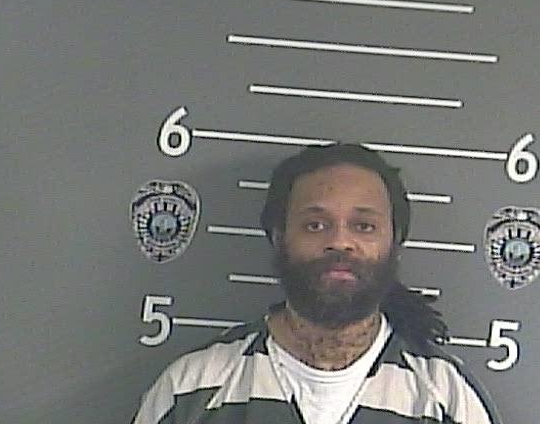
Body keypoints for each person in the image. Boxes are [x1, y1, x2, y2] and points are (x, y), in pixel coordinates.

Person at [132, 144, 501, 424]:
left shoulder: (446, 399)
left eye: (364, 226)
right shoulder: (192, 390)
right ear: (279, 236)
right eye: (315, 225)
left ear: (395, 242)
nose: (340, 242)